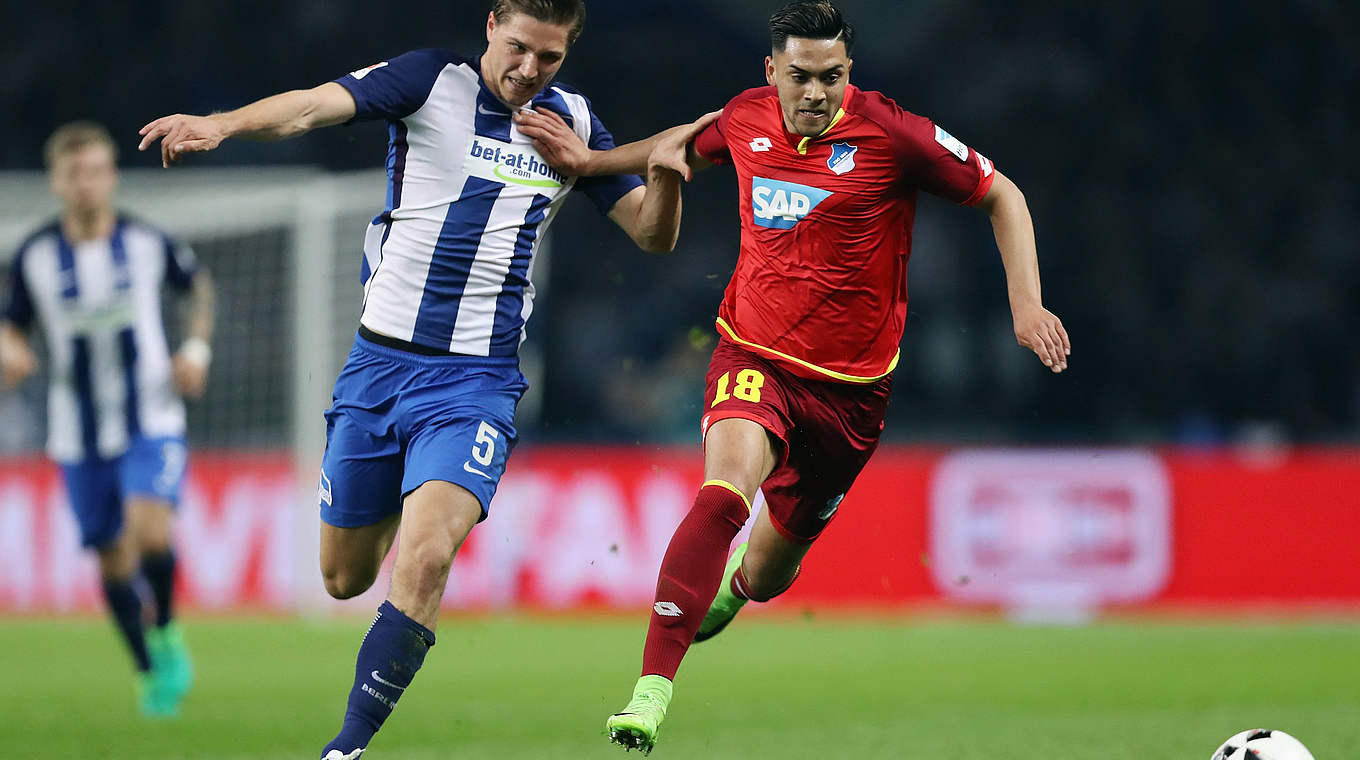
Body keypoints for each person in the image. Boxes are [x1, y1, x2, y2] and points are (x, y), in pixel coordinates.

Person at [138, 1, 707, 757]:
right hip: (379, 368)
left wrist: (662, 173)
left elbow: (649, 233)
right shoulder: (427, 80)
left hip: (475, 383)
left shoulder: (571, 122)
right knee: (343, 578)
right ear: (492, 25)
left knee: (428, 551)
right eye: (519, 49)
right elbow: (312, 106)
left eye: (550, 58)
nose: (530, 71)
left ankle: (347, 745)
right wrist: (223, 123)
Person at [515, 0, 1071, 752]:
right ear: (772, 72)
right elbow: (680, 144)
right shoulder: (745, 119)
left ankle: (739, 585)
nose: (816, 93)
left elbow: (1003, 193)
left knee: (771, 575)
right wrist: (589, 165)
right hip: (754, 356)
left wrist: (1026, 305)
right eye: (802, 77)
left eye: (832, 77)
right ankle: (649, 693)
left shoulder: (892, 134)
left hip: (851, 399)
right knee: (722, 496)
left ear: (850, 73)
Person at [1, 121, 214, 718]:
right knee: (112, 559)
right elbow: (10, 321)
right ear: (56, 182)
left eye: (96, 170)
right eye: (75, 173)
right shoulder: (36, 254)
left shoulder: (146, 241)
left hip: (151, 412)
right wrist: (11, 347)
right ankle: (148, 669)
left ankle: (167, 629)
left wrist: (195, 351)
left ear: (111, 176)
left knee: (150, 532)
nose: (87, 184)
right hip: (77, 429)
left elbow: (196, 289)